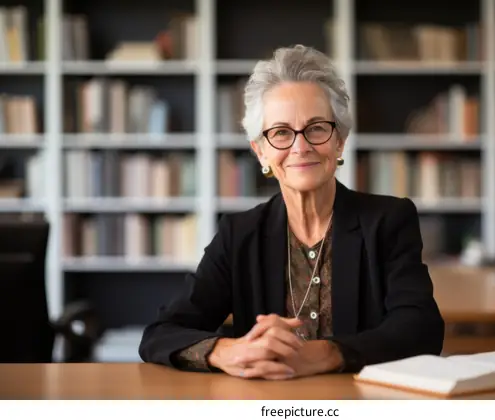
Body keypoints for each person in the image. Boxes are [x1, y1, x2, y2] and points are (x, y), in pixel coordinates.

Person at [138, 44, 445, 380]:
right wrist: (226, 351)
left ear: (339, 140)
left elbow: (421, 330)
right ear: (261, 152)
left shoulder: (388, 221)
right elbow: (161, 332)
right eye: (281, 132)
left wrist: (327, 354)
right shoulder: (239, 233)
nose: (301, 147)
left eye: (316, 128)